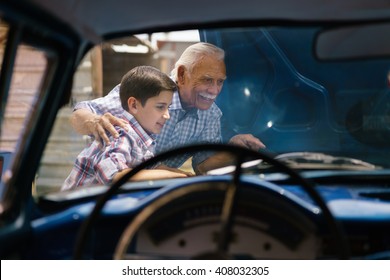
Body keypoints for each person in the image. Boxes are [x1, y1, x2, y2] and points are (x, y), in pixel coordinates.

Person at [70, 42, 265, 175]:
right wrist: (94, 122)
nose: (214, 90)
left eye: (220, 82)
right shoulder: (147, 90)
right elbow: (79, 113)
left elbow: (202, 166)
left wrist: (232, 149)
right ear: (181, 75)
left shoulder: (212, 115)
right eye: (207, 80)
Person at [62, 66, 192, 191]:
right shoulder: (122, 133)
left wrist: (183, 175)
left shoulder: (144, 140)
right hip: (76, 208)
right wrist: (174, 176)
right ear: (134, 105)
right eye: (160, 107)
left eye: (168, 107)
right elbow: (114, 175)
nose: (167, 115)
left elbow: (151, 168)